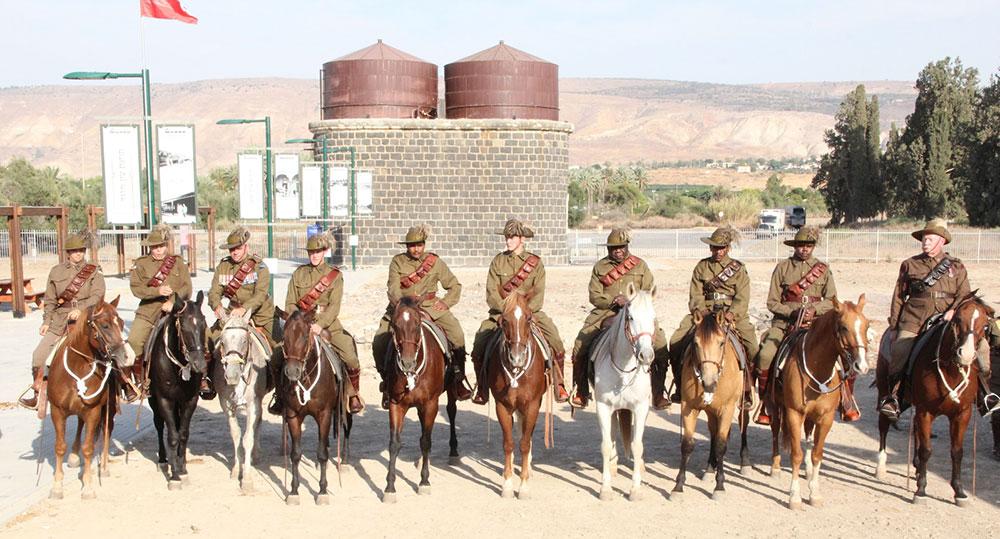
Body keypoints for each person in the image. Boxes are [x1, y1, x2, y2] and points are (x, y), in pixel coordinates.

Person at [879, 219, 990, 420]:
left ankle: (984, 394)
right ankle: (894, 397)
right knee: (900, 350)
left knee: (981, 348)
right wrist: (895, 326)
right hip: (915, 318)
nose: (925, 243)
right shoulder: (909, 264)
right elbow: (898, 296)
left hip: (948, 318)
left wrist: (954, 310)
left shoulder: (956, 266)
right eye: (923, 239)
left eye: (929, 239)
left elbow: (965, 295)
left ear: (941, 241)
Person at [753, 226, 853, 424]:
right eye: (800, 245)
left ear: (813, 247)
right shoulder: (783, 268)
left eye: (808, 246)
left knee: (847, 357)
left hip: (816, 325)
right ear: (794, 247)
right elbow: (772, 302)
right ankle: (767, 403)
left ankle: (847, 401)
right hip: (786, 324)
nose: (804, 249)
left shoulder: (823, 269)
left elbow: (832, 299)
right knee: (764, 356)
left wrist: (814, 309)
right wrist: (793, 311)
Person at [568, 228, 670, 409]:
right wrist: (613, 300)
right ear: (609, 249)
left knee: (661, 345)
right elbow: (594, 295)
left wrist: (632, 301)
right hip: (606, 312)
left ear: (627, 246)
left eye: (621, 247)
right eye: (614, 247)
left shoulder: (640, 266)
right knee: (580, 345)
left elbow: (648, 290)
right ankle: (581, 392)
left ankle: (658, 393)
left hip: (636, 312)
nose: (618, 250)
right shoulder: (600, 267)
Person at [371, 225, 471, 408]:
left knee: (457, 335)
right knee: (379, 341)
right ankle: (387, 381)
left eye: (419, 244)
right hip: (402, 308)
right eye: (412, 245)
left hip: (430, 307)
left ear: (424, 244)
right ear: (407, 246)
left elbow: (454, 285)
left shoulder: (435, 262)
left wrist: (446, 303)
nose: (416, 249)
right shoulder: (397, 262)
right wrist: (401, 306)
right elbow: (393, 287)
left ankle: (458, 379)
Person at [471, 219, 569, 405]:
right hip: (502, 314)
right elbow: (492, 292)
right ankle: (482, 387)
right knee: (479, 344)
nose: (508, 241)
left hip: (530, 313)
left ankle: (560, 383)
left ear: (522, 238)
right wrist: (506, 311)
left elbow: (538, 293)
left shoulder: (535, 263)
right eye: (507, 237)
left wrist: (525, 311)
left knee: (555, 340)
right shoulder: (498, 262)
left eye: (512, 237)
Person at [273, 233, 363, 414]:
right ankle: (280, 395)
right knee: (276, 357)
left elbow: (334, 307)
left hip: (326, 325)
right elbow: (290, 302)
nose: (314, 255)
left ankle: (353, 394)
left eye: (318, 252)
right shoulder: (299, 274)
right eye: (311, 252)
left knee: (349, 354)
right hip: (300, 326)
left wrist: (319, 324)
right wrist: (298, 321)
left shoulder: (335, 275)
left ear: (325, 252)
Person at [668, 226, 759, 403]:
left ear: (728, 248)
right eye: (715, 247)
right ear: (710, 248)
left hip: (730, 314)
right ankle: (680, 386)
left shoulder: (739, 269)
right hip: (704, 312)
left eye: (722, 247)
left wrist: (732, 314)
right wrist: (701, 311)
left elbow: (742, 296)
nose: (719, 251)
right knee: (675, 341)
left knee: (753, 347)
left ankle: (746, 389)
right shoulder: (702, 267)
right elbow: (695, 294)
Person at [19, 233, 105, 410]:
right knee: (39, 356)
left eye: (81, 250)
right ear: (68, 253)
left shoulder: (94, 270)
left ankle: (117, 389)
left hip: (87, 319)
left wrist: (81, 310)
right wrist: (46, 321)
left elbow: (98, 295)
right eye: (74, 251)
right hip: (60, 320)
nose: (78, 254)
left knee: (109, 350)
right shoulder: (56, 271)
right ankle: (38, 393)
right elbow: (50, 299)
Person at [126, 225, 193, 401]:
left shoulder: (178, 262)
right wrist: (157, 292)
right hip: (149, 312)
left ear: (167, 245)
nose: (158, 250)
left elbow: (187, 287)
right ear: (150, 247)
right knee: (133, 342)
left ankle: (201, 378)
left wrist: (173, 301)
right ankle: (140, 382)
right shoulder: (141, 264)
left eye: (162, 246)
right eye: (155, 247)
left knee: (199, 335)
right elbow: (136, 289)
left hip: (176, 311)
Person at [206, 227, 274, 400]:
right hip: (231, 316)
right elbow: (214, 292)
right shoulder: (223, 266)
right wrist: (217, 306)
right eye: (231, 249)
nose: (234, 252)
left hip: (260, 315)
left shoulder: (259, 267)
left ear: (246, 246)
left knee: (280, 348)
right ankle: (207, 380)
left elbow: (260, 295)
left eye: (238, 248)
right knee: (207, 339)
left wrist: (245, 309)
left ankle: (280, 390)